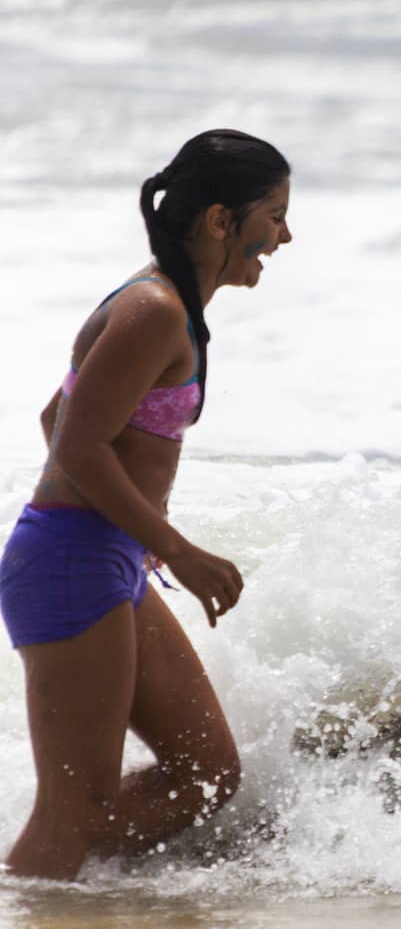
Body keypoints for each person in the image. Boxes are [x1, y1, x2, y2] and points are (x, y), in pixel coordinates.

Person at [0, 129, 293, 880]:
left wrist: (138, 536)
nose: (284, 235)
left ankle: (81, 886)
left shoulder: (172, 308)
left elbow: (51, 417)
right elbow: (71, 444)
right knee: (71, 810)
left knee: (207, 774)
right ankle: (44, 880)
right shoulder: (154, 308)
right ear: (220, 220)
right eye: (275, 214)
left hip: (105, 556)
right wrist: (182, 550)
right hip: (70, 561)